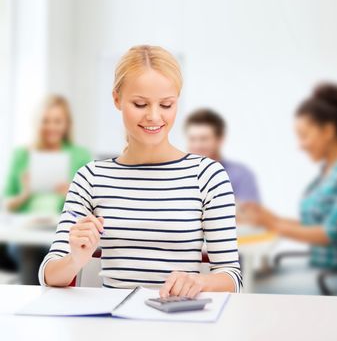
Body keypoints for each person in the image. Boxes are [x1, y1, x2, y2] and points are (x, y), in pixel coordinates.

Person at [39, 45, 242, 296]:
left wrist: (200, 282)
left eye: (166, 105)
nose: (154, 116)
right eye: (140, 104)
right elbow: (49, 274)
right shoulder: (90, 178)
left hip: (179, 323)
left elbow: (232, 276)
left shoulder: (208, 176)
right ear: (117, 99)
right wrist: (75, 260)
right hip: (112, 326)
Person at [241, 83, 337, 272]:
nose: (300, 145)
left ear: (328, 131)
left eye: (304, 136)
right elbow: (312, 224)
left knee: (251, 288)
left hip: (332, 279)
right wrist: (267, 216)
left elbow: (328, 233)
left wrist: (271, 224)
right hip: (320, 272)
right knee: (253, 281)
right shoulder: (326, 174)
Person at [2, 94, 92, 284]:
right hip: (25, 234)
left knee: (56, 254)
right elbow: (7, 204)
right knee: (29, 250)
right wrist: (24, 194)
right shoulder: (22, 155)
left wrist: (72, 192)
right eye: (46, 121)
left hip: (61, 232)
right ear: (37, 123)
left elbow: (90, 206)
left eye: (57, 121)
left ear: (66, 124)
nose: (51, 127)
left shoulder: (79, 156)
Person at [184, 108, 261, 203]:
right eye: (192, 139)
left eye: (203, 139)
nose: (197, 145)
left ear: (220, 140)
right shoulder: (178, 175)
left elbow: (249, 214)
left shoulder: (240, 175)